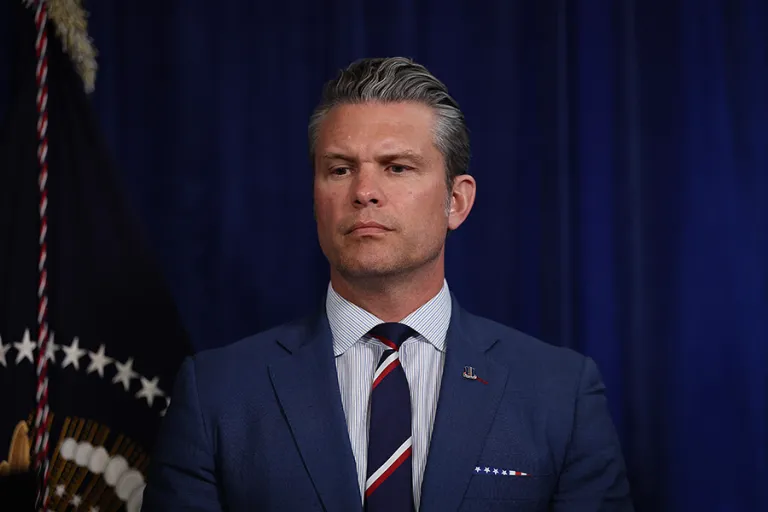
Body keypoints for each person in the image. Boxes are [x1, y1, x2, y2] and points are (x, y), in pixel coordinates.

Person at [142, 57, 633, 512]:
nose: (364, 193)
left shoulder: (560, 394)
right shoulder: (216, 394)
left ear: (456, 202)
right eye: (339, 169)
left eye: (397, 167)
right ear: (315, 197)